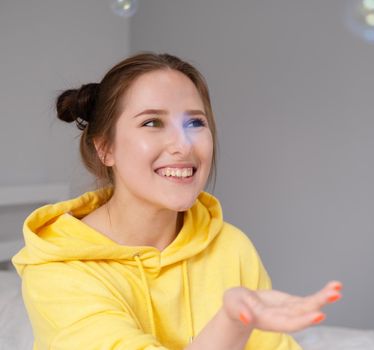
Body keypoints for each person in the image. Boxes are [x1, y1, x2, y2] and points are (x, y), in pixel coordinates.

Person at [12, 53, 342, 349]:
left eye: (195, 122)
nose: (182, 145)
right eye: (152, 122)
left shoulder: (232, 247)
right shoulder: (57, 269)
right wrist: (232, 321)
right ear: (105, 147)